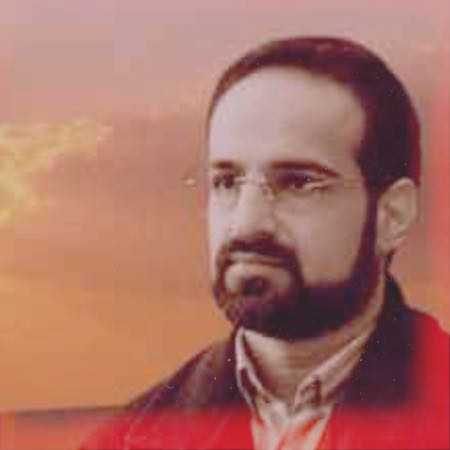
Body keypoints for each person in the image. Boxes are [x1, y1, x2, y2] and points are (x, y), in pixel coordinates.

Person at [82, 36, 449, 450]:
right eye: (227, 182)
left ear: (392, 215)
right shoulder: (126, 442)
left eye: (299, 182)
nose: (246, 222)